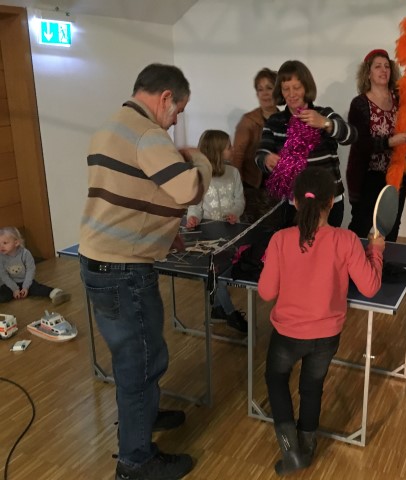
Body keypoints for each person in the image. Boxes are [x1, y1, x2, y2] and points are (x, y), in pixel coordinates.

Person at [78, 63, 212, 480]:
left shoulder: (109, 127)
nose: (174, 123)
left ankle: (144, 419)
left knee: (136, 355)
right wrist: (200, 159)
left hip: (98, 260)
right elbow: (189, 189)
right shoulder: (148, 133)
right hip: (124, 270)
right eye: (178, 112)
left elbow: (130, 192)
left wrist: (161, 232)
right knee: (140, 362)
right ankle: (136, 462)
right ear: (166, 97)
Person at [257, 167, 384, 476]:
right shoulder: (347, 240)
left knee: (276, 379)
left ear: (294, 201)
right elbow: (370, 287)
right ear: (332, 202)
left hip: (287, 334)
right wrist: (376, 251)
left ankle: (291, 452)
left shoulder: (280, 240)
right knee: (312, 387)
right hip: (326, 335)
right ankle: (307, 445)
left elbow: (266, 292)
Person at [346, 32, 406, 242]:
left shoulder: (402, 97)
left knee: (390, 228)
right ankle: (351, 263)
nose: (384, 70)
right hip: (368, 177)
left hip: (397, 174)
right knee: (360, 226)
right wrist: (389, 142)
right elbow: (360, 144)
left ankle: (384, 263)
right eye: (377, 66)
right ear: (368, 73)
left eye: (387, 66)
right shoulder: (359, 104)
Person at [256, 60, 358, 228]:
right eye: (286, 89)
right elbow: (260, 154)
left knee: (328, 244)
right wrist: (266, 159)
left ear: (306, 88)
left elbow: (351, 136)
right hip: (294, 203)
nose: (291, 94)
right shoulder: (275, 122)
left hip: (329, 202)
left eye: (296, 87)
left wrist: (325, 123)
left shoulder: (324, 113)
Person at [186, 129, 248, 333]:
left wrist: (234, 213)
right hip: (208, 238)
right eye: (229, 147)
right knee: (216, 274)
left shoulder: (234, 173)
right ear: (217, 151)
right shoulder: (199, 176)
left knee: (221, 274)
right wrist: (193, 218)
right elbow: (195, 205)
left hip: (231, 234)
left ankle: (218, 309)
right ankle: (230, 313)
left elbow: (240, 201)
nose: (233, 149)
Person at [232, 68, 280, 224]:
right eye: (260, 89)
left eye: (269, 88)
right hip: (253, 187)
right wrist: (237, 188)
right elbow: (237, 155)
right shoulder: (248, 121)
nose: (265, 94)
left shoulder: (285, 119)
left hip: (280, 187)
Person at [0, 226, 70, 305]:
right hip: (10, 284)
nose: (1, 247)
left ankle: (56, 293)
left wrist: (25, 287)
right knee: (3, 295)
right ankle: (19, 292)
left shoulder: (25, 253)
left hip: (26, 281)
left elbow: (30, 271)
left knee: (37, 288)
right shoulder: (1, 257)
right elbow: (3, 275)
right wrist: (14, 289)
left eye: (5, 243)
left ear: (16, 243)